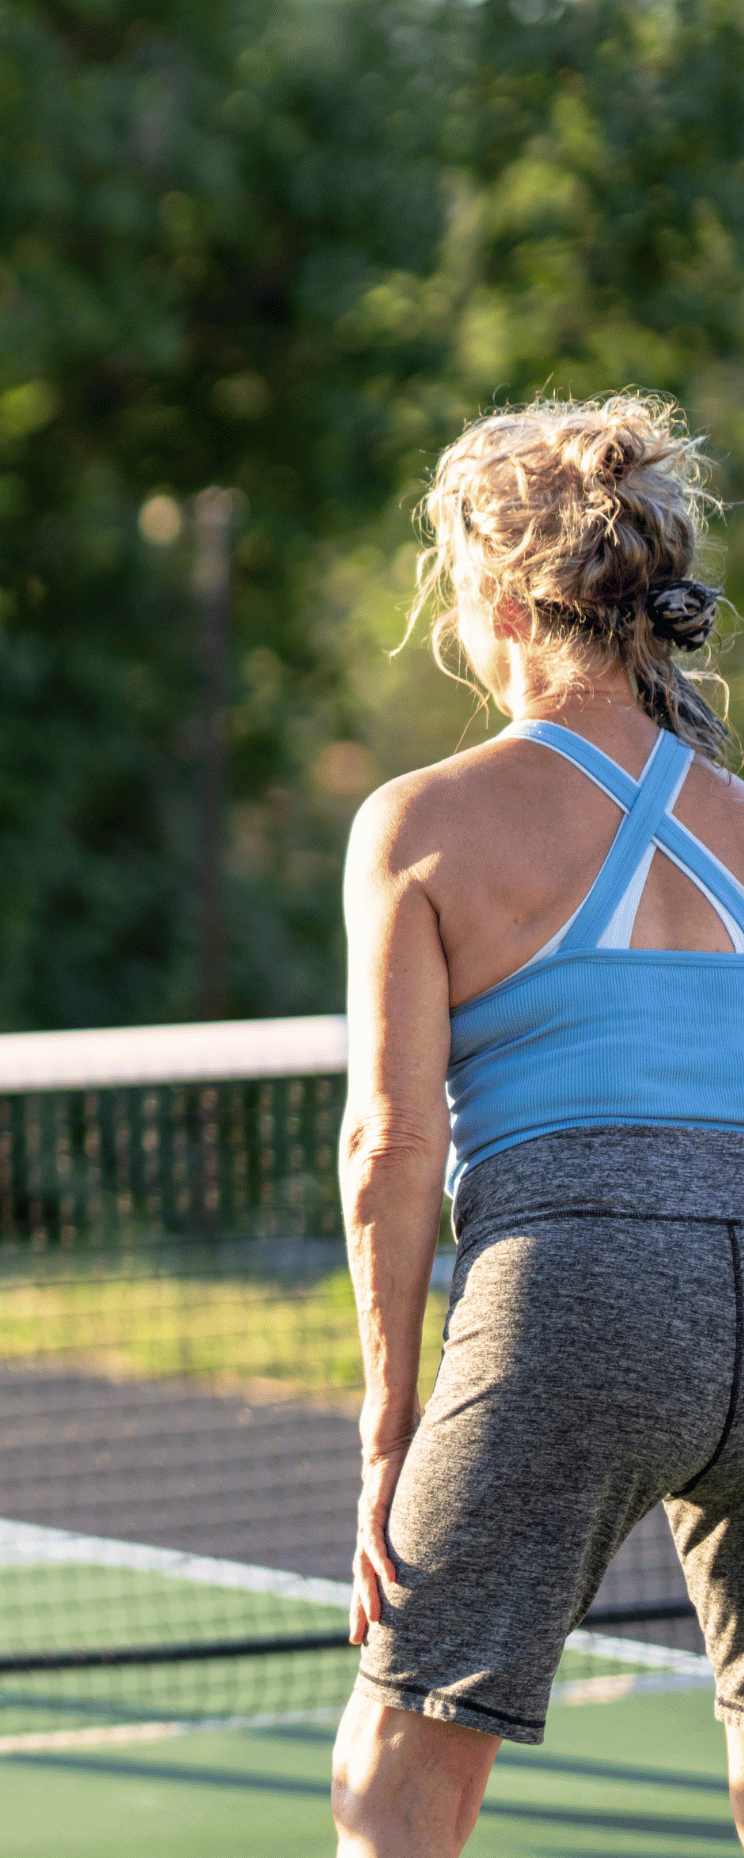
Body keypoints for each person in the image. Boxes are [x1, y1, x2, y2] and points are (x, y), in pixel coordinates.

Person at [334, 394, 744, 1855]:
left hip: (582, 1288)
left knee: (400, 1756)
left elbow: (392, 1141)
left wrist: (390, 1428)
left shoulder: (424, 820)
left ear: (501, 597)